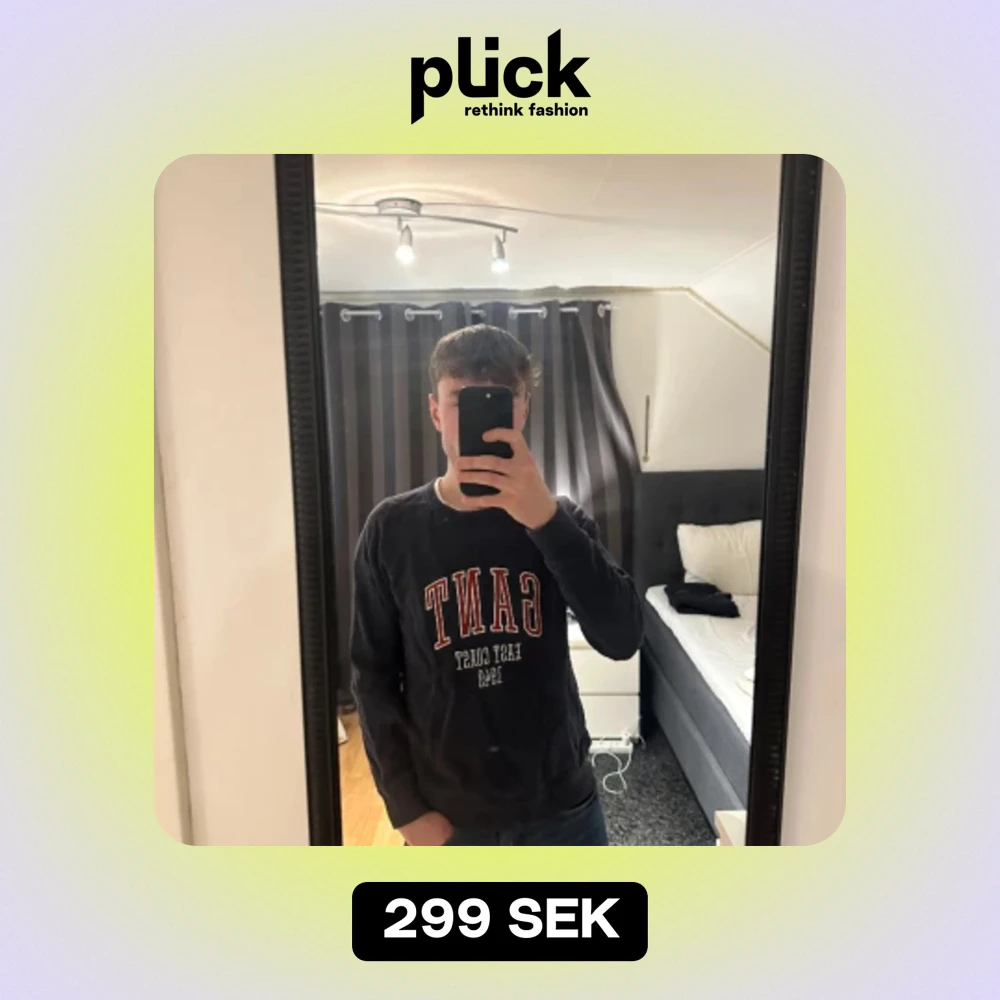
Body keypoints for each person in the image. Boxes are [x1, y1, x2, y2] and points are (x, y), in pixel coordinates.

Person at [350, 323, 644, 846]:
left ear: (522, 409)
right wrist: (405, 808)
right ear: (435, 411)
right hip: (450, 813)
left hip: (562, 805)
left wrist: (546, 521)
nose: (477, 416)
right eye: (460, 400)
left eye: (500, 398)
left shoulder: (558, 519)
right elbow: (372, 675)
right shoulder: (391, 530)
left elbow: (622, 637)